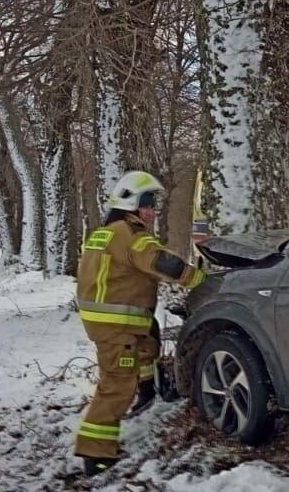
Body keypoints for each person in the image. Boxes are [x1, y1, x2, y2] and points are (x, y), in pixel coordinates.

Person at [73, 170, 206, 476]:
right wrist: (199, 279)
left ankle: (147, 390)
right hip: (117, 325)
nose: (152, 211)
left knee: (149, 339)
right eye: (148, 204)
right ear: (132, 204)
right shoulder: (132, 235)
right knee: (115, 386)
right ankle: (96, 453)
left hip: (109, 321)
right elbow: (162, 263)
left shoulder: (104, 233)